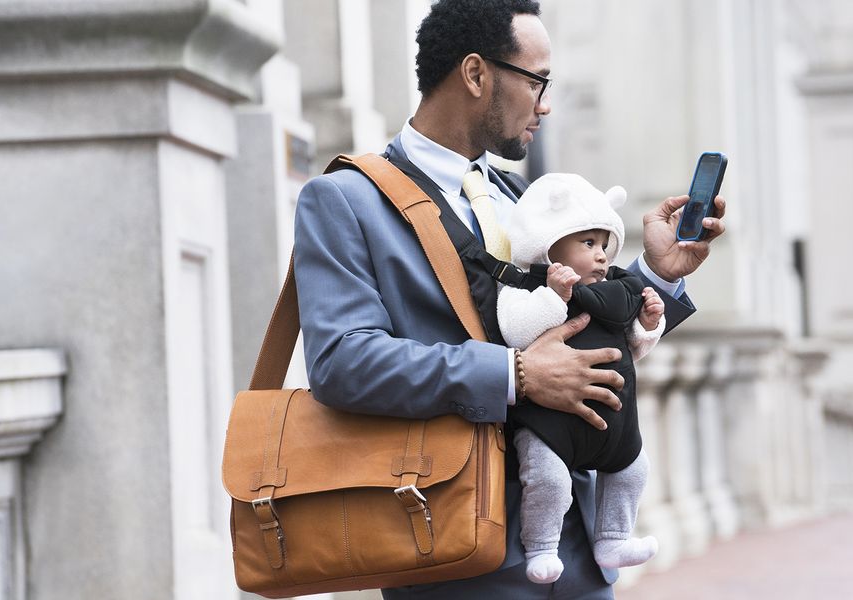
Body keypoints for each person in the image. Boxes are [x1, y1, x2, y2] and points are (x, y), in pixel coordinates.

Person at [292, 0, 726, 597]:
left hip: (578, 546)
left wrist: (655, 273)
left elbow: (582, 321)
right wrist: (515, 375)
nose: (545, 104)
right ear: (476, 74)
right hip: (449, 550)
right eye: (537, 81)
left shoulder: (523, 198)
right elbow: (343, 363)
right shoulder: (345, 199)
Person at [496, 173, 664, 584]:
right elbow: (516, 332)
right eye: (588, 244)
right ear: (549, 244)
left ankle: (613, 537)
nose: (602, 256)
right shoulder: (525, 286)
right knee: (548, 479)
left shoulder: (613, 292)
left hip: (612, 424)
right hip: (549, 424)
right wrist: (554, 297)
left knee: (634, 470)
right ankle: (540, 547)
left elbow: (631, 348)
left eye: (604, 245)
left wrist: (648, 323)